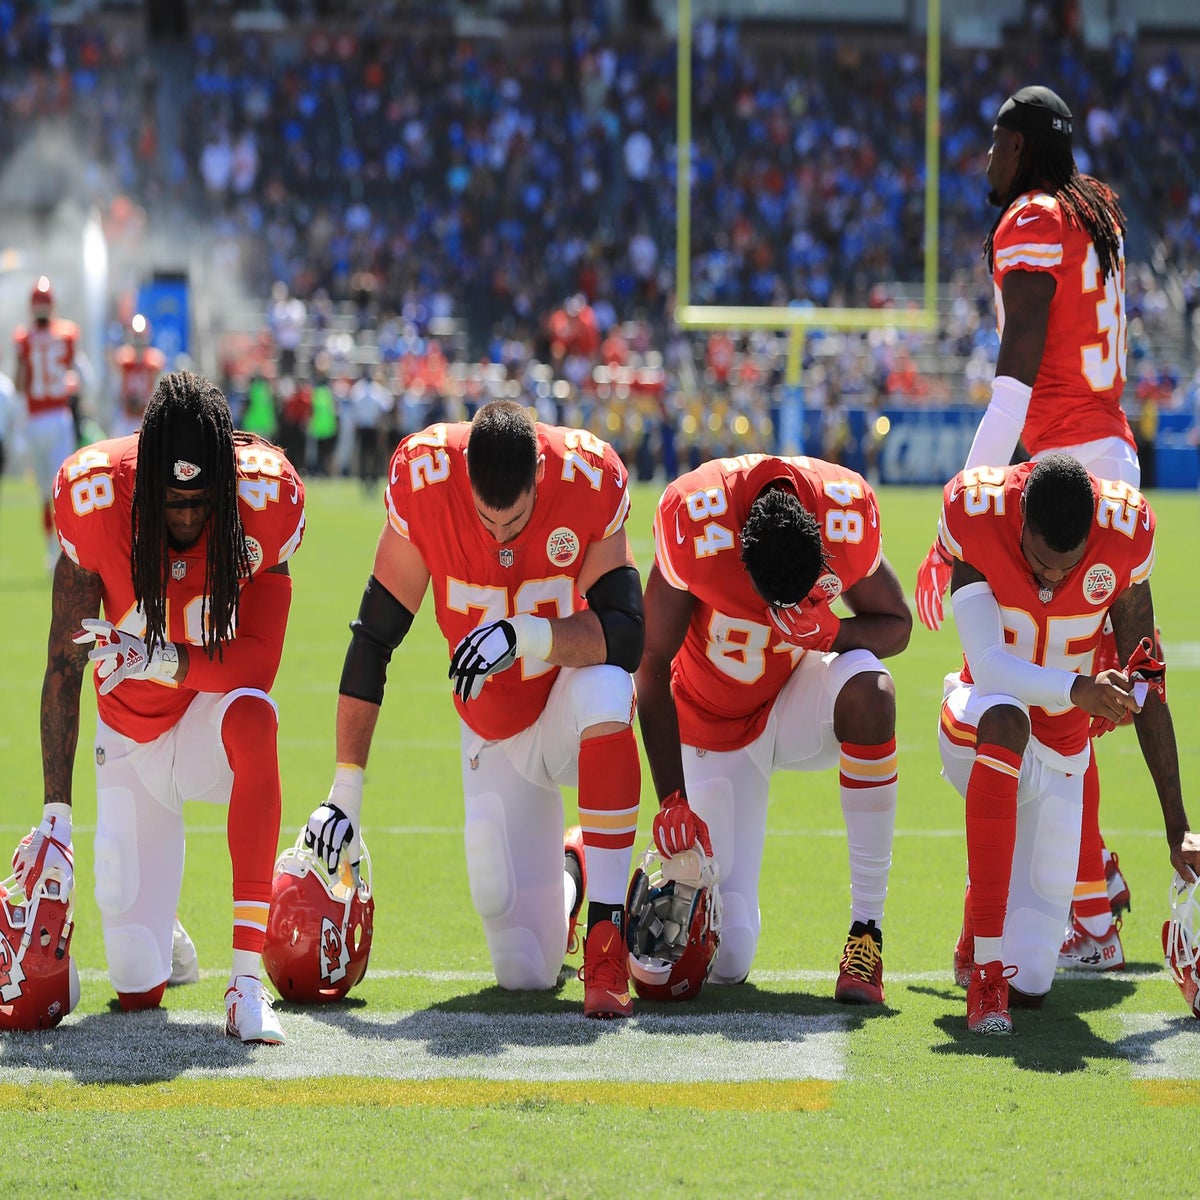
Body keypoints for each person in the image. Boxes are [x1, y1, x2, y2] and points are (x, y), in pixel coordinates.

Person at [306, 400, 644, 1018]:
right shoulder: (427, 481)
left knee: (607, 687)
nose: (498, 538)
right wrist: (344, 791)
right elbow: (374, 639)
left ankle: (607, 935)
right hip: (494, 730)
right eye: (486, 521)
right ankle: (576, 866)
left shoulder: (585, 476)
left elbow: (625, 634)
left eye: (513, 522)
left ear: (540, 475)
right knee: (525, 970)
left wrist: (527, 635)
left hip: (567, 702)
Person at [913, 85, 1138, 971]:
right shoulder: (1094, 212)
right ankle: (1092, 891)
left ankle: (1070, 915)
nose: (988, 161)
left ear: (1026, 148)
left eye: (1000, 143)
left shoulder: (1037, 214)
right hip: (1106, 465)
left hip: (1061, 476)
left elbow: (1014, 378)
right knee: (1071, 695)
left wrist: (961, 507)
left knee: (1023, 693)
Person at [12, 371, 305, 1043]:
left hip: (207, 720)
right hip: (131, 739)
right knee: (137, 986)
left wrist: (164, 659)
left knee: (257, 716)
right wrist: (56, 815)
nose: (185, 516)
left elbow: (259, 664)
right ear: (142, 482)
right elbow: (63, 664)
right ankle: (156, 920)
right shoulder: (94, 497)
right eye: (171, 500)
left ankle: (245, 983)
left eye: (201, 500)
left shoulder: (266, 497)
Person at [935, 453, 1200, 1033]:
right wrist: (1075, 687)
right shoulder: (979, 511)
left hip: (1059, 751)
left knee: (1031, 979)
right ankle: (983, 977)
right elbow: (988, 664)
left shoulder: (1123, 537)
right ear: (1020, 522)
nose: (1053, 580)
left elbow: (1148, 683)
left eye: (1068, 567)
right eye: (1039, 562)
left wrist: (1177, 824)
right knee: (1007, 719)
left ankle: (979, 927)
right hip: (979, 719)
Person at [635, 453, 911, 1004]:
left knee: (872, 694)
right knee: (730, 954)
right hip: (710, 724)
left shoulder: (844, 511)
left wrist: (830, 632)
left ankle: (867, 934)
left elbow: (897, 626)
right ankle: (588, 864)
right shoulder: (695, 517)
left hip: (791, 698)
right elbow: (651, 664)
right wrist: (672, 801)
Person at [13, 276, 79, 570]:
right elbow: (81, 377)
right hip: (58, 417)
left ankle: (52, 553)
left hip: (35, 420)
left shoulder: (24, 339)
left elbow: (19, 384)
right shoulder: (65, 334)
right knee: (63, 488)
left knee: (45, 492)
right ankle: (69, 549)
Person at [111, 313, 166, 438]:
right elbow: (117, 390)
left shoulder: (154, 361)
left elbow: (158, 391)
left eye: (141, 338)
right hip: (127, 417)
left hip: (146, 418)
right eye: (136, 338)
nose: (138, 343)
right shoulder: (124, 359)